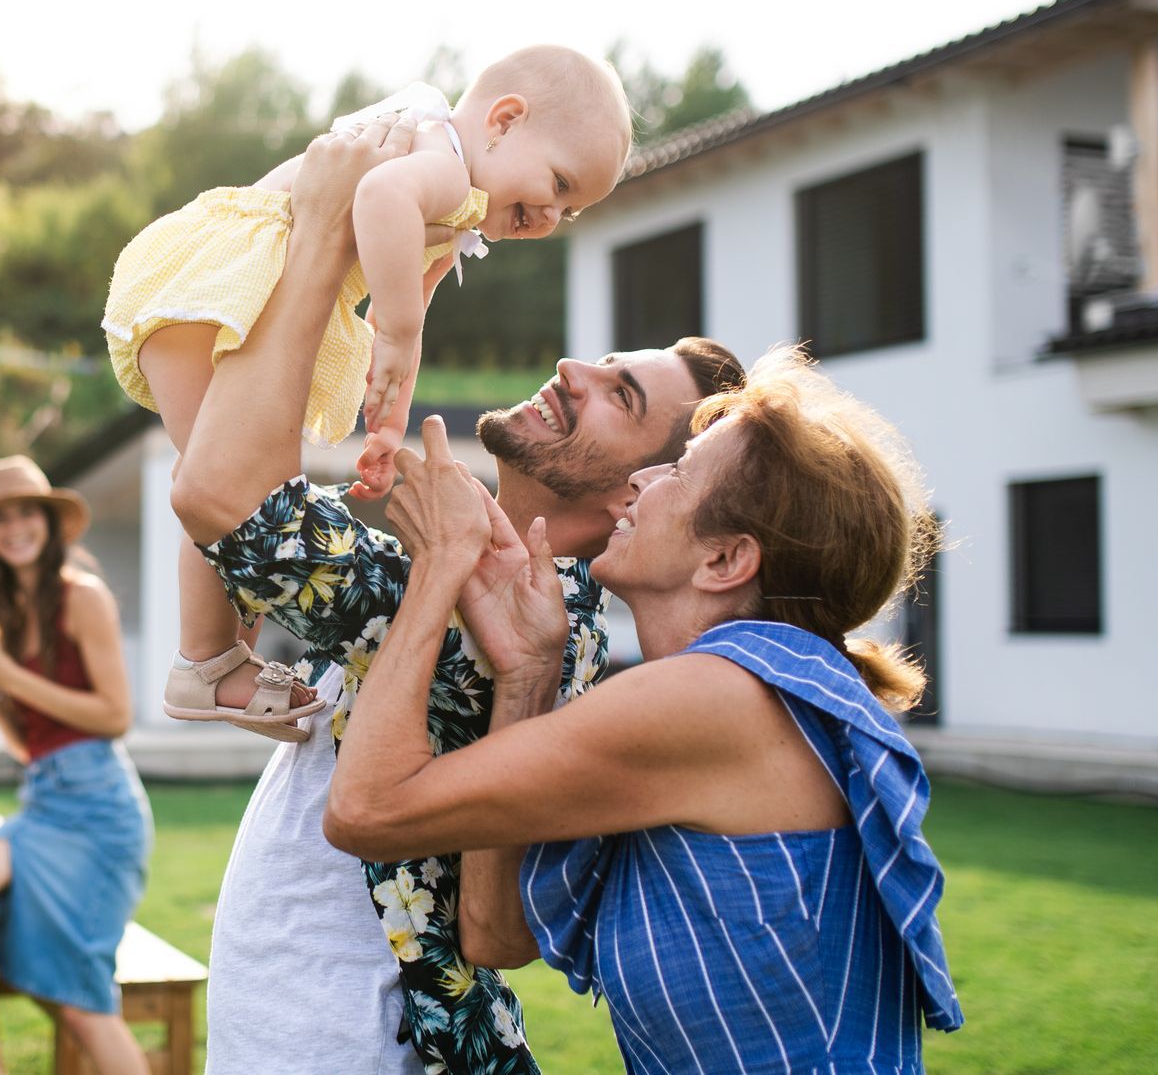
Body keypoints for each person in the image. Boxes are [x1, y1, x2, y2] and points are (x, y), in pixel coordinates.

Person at [168, 113, 745, 1073]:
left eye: (620, 396)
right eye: (604, 362)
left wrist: (318, 232)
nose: (575, 370)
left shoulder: (491, 595)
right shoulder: (492, 573)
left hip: (354, 1034)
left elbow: (219, 493)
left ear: (634, 490)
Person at [324, 349, 967, 1072]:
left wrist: (441, 563)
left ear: (725, 561)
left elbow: (365, 812)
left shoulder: (713, 699)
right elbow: (495, 932)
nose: (640, 482)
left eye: (679, 472)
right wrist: (529, 673)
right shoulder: (741, 696)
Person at [103, 45, 635, 742]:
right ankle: (204, 659)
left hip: (244, 290)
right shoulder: (442, 160)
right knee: (230, 474)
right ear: (503, 120)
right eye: (558, 183)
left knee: (245, 471)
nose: (551, 214)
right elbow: (380, 206)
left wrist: (388, 419)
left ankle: (210, 658)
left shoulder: (456, 199)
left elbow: (402, 309)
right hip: (223, 283)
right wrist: (402, 333)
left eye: (570, 210)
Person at [0, 455, 154, 1075]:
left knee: (80, 1004)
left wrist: (9, 677)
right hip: (45, 801)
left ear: (49, 523)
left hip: (98, 813)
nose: (15, 527)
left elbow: (114, 716)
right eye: (0, 519)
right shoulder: (5, 612)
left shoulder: (83, 597)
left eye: (26, 512)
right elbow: (31, 746)